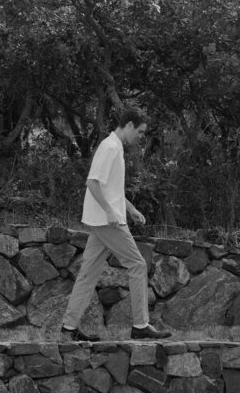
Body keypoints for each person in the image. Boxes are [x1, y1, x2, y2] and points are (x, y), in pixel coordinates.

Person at [61, 108, 171, 342]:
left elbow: (111, 190)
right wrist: (111, 211)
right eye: (140, 132)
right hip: (108, 222)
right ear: (129, 124)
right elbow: (92, 183)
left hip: (104, 221)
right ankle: (140, 325)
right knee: (138, 265)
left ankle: (68, 329)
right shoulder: (110, 147)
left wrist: (130, 209)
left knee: (88, 274)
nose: (141, 137)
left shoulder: (115, 148)